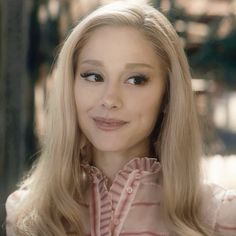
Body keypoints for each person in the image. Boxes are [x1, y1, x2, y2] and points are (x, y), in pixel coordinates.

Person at [5, 1, 236, 236]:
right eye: (93, 76)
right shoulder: (29, 215)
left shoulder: (219, 218)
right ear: (70, 85)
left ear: (168, 95)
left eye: (135, 79)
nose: (110, 99)